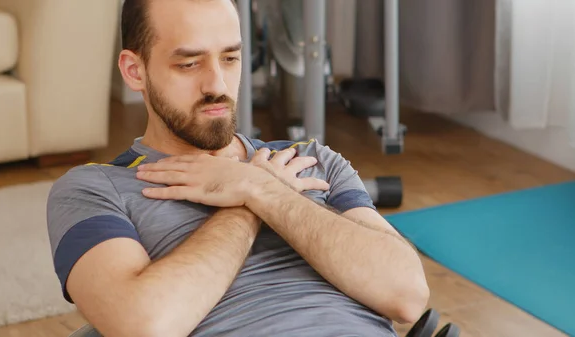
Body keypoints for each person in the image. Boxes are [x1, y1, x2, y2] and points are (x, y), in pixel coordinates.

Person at [46, 0, 429, 336]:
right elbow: (146, 326)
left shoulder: (310, 159)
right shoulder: (94, 188)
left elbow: (408, 295)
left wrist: (263, 190)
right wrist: (249, 201)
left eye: (230, 58)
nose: (217, 84)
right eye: (189, 63)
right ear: (135, 71)